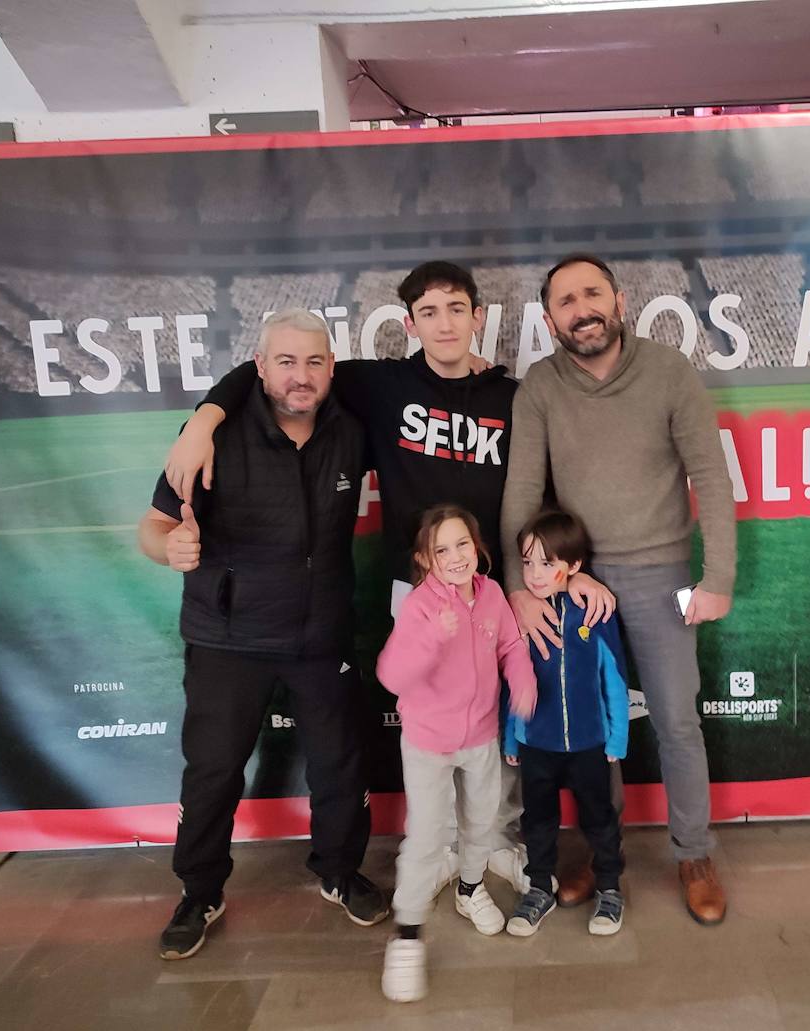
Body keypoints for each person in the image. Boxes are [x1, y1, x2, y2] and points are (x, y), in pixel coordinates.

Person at [162, 261, 614, 896]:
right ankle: (435, 851)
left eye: (457, 308)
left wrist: (569, 574)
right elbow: (279, 371)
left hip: (490, 591)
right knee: (431, 731)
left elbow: (555, 494)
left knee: (491, 727)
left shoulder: (514, 396)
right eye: (428, 312)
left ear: (479, 317)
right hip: (418, 593)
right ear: (409, 324)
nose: (445, 322)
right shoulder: (379, 387)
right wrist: (206, 418)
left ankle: (493, 848)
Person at [136, 308, 388, 961]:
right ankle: (200, 891)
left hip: (320, 633)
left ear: (332, 367)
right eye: (285, 361)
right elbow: (152, 527)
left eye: (313, 362)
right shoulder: (210, 439)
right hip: (228, 635)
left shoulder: (351, 431)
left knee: (339, 763)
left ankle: (338, 869)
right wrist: (174, 549)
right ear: (259, 366)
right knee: (215, 771)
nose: (300, 376)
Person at [500, 254, 737, 926]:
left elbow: (710, 478)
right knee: (584, 731)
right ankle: (606, 860)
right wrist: (525, 586)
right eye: (566, 301)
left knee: (676, 721)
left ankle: (694, 853)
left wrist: (716, 576)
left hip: (661, 574)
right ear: (550, 320)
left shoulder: (669, 371)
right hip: (571, 582)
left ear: (620, 300)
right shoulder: (540, 386)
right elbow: (521, 490)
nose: (582, 309)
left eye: (592, 293)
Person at [375, 504, 537, 1002]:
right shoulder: (421, 607)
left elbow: (510, 643)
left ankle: (470, 889)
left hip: (480, 736)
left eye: (462, 544)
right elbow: (391, 675)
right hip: (428, 742)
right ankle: (407, 933)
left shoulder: (489, 594)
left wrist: (523, 679)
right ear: (425, 558)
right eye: (441, 549)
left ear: (477, 545)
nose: (455, 556)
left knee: (481, 822)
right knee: (426, 836)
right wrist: (431, 639)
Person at [504, 509, 628, 937]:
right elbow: (513, 683)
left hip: (591, 745)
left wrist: (617, 737)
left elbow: (613, 678)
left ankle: (610, 889)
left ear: (574, 566)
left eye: (547, 563)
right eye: (527, 562)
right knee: (537, 821)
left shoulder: (593, 612)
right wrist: (512, 736)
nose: (535, 574)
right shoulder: (520, 616)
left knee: (599, 818)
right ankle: (539, 887)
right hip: (537, 744)